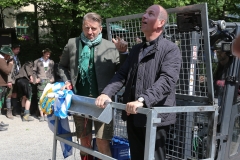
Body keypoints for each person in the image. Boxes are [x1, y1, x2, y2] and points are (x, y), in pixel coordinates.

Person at [96, 5, 181, 160]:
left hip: (156, 117)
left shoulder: (170, 49)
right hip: (134, 115)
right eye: (144, 13)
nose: (144, 16)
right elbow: (122, 74)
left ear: (161, 22)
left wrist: (142, 100)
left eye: (150, 14)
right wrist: (106, 93)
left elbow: (167, 80)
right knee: (137, 156)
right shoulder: (136, 50)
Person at [58, 12, 127, 160]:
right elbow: (62, 66)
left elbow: (122, 72)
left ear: (100, 29)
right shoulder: (72, 43)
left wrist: (123, 53)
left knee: (103, 143)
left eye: (94, 29)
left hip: (103, 103)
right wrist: (67, 81)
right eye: (87, 28)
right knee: (85, 141)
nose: (90, 32)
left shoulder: (110, 47)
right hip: (79, 101)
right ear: (82, 27)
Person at [33, 48, 54, 122]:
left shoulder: (51, 62)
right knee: (40, 98)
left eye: (49, 54)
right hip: (41, 82)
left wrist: (52, 79)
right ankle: (41, 115)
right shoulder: (37, 61)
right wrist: (36, 79)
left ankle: (46, 114)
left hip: (48, 82)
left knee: (48, 98)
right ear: (43, 53)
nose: (48, 55)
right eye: (46, 54)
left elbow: (53, 72)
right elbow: (34, 72)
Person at [0, 46, 14, 130]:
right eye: (9, 55)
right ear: (5, 54)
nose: (9, 57)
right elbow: (7, 71)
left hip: (2, 85)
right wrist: (11, 64)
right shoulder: (1, 60)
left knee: (0, 104)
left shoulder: (2, 59)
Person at [6, 44, 21, 119]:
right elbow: (8, 70)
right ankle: (9, 112)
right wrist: (9, 80)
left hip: (16, 79)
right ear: (13, 49)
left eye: (19, 49)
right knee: (9, 95)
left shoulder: (16, 57)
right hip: (10, 79)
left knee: (15, 94)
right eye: (17, 49)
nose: (18, 50)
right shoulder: (9, 57)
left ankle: (15, 110)